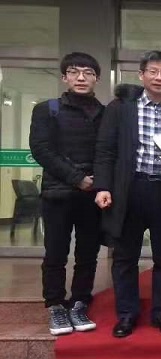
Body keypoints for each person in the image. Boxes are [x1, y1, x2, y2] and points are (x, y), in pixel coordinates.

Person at [94, 50, 161, 338]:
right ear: (141, 75)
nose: (159, 77)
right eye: (153, 71)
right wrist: (103, 186)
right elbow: (105, 150)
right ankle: (127, 314)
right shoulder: (121, 107)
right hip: (130, 189)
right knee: (125, 256)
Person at [29, 52, 104, 336]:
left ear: (96, 78)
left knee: (88, 253)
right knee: (56, 252)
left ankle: (80, 302)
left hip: (92, 195)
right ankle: (56, 305)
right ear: (64, 77)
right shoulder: (47, 110)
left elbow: (107, 151)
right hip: (58, 194)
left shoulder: (105, 113)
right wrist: (77, 178)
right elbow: (41, 150)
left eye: (88, 73)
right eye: (74, 72)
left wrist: (98, 182)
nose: (81, 78)